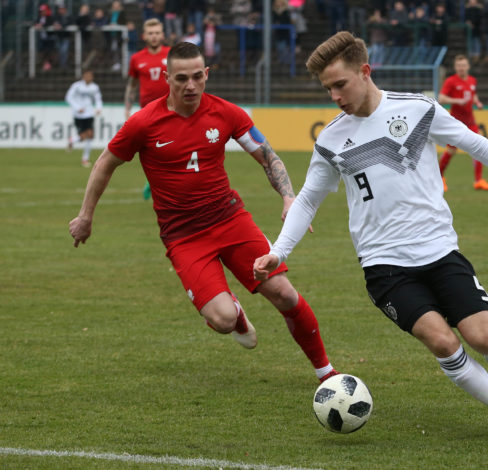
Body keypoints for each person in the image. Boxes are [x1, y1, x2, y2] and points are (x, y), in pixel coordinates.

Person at [253, 31, 488, 446]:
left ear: (365, 72)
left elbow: (474, 143)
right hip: (384, 267)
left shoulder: (418, 110)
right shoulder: (331, 139)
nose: (335, 96)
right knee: (443, 342)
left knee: (483, 338)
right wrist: (277, 251)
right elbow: (307, 200)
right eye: (328, 88)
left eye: (340, 84)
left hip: (440, 252)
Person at [69, 42, 339, 385]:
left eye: (198, 77)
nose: (191, 86)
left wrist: (289, 198)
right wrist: (86, 217)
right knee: (224, 320)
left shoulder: (227, 113)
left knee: (284, 293)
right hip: (184, 237)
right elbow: (105, 164)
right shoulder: (144, 123)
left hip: (230, 220)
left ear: (207, 74)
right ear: (167, 78)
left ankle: (326, 373)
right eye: (181, 78)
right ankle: (236, 314)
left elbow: (268, 157)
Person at [125, 18, 172, 200]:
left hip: (171, 109)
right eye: (151, 33)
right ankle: (153, 182)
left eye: (157, 33)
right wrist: (128, 107)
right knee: (151, 150)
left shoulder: (171, 55)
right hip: (148, 112)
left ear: (163, 35)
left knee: (171, 148)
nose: (154, 36)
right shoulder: (137, 58)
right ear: (144, 36)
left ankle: (158, 183)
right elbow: (132, 84)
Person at [438, 54, 488, 191]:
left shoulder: (472, 80)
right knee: (451, 151)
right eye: (459, 66)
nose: (461, 68)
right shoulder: (451, 81)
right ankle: (439, 178)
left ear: (468, 66)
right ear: (455, 67)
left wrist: (477, 102)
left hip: (470, 121)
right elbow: (441, 98)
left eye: (464, 65)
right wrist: (457, 101)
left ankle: (479, 180)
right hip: (455, 123)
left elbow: (473, 94)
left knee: (478, 148)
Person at [65, 69, 103, 168]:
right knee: (82, 137)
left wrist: (98, 108)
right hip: (78, 115)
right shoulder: (76, 86)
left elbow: (98, 98)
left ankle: (85, 159)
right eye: (87, 75)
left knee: (90, 135)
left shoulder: (95, 87)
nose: (89, 77)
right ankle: (72, 140)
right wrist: (77, 108)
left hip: (89, 114)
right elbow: (68, 97)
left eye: (91, 76)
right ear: (83, 76)